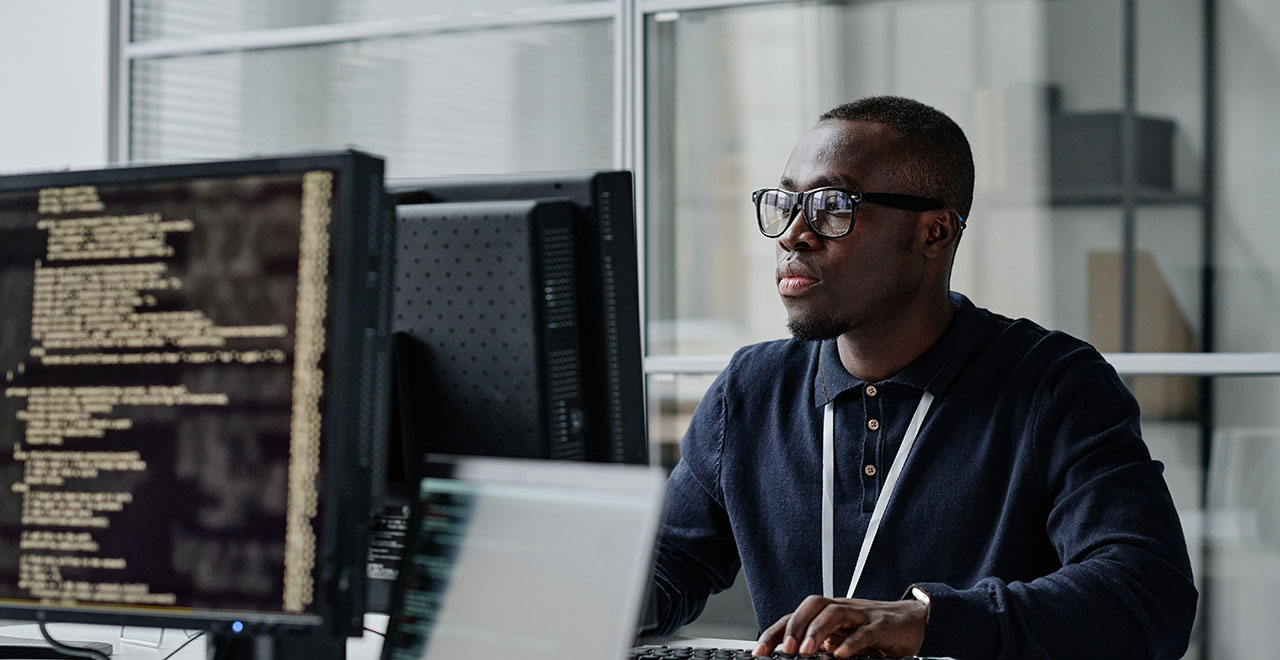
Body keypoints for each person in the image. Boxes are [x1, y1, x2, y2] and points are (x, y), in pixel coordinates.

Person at [649, 96, 1197, 660]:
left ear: (934, 233)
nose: (793, 233)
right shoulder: (750, 389)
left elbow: (1148, 595)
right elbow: (668, 568)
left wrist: (929, 620)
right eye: (786, 203)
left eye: (832, 206)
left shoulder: (1055, 385)